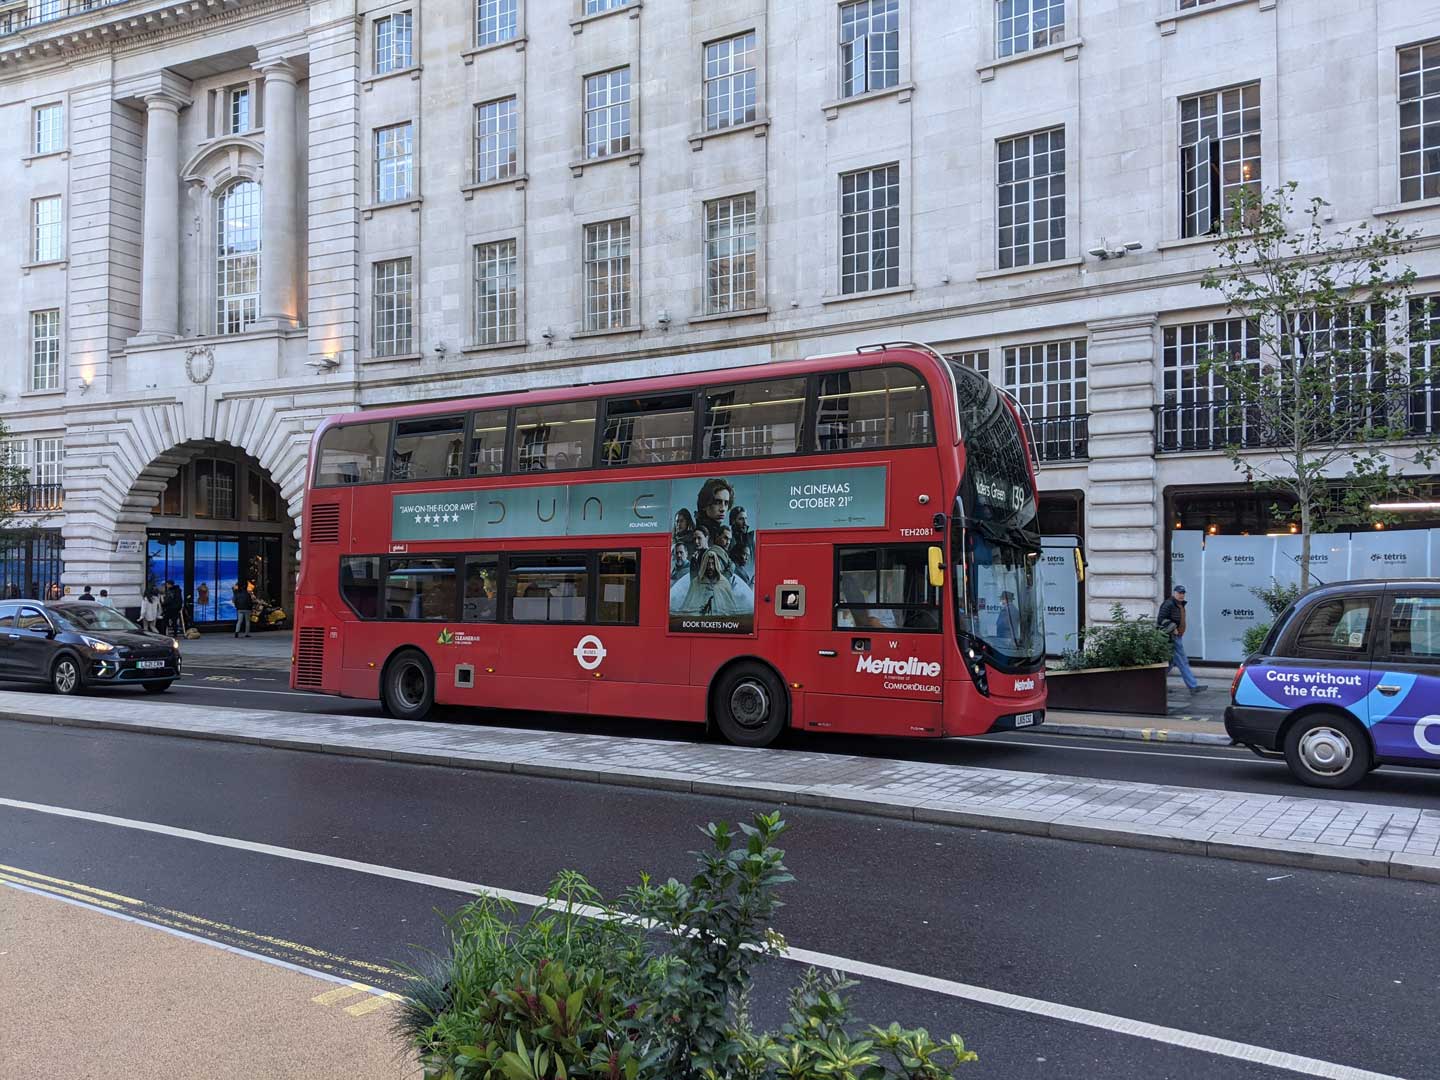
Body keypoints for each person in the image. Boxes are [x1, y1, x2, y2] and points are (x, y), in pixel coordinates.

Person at [1157, 584, 1201, 693]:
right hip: (1171, 637)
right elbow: (1161, 619)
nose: (1181, 595)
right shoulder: (1168, 604)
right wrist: (1172, 628)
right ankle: (1193, 686)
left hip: (1178, 636)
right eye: (1179, 593)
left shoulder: (1180, 604)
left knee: (1171, 662)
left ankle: (1156, 683)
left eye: (1183, 593)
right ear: (1174, 593)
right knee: (1183, 661)